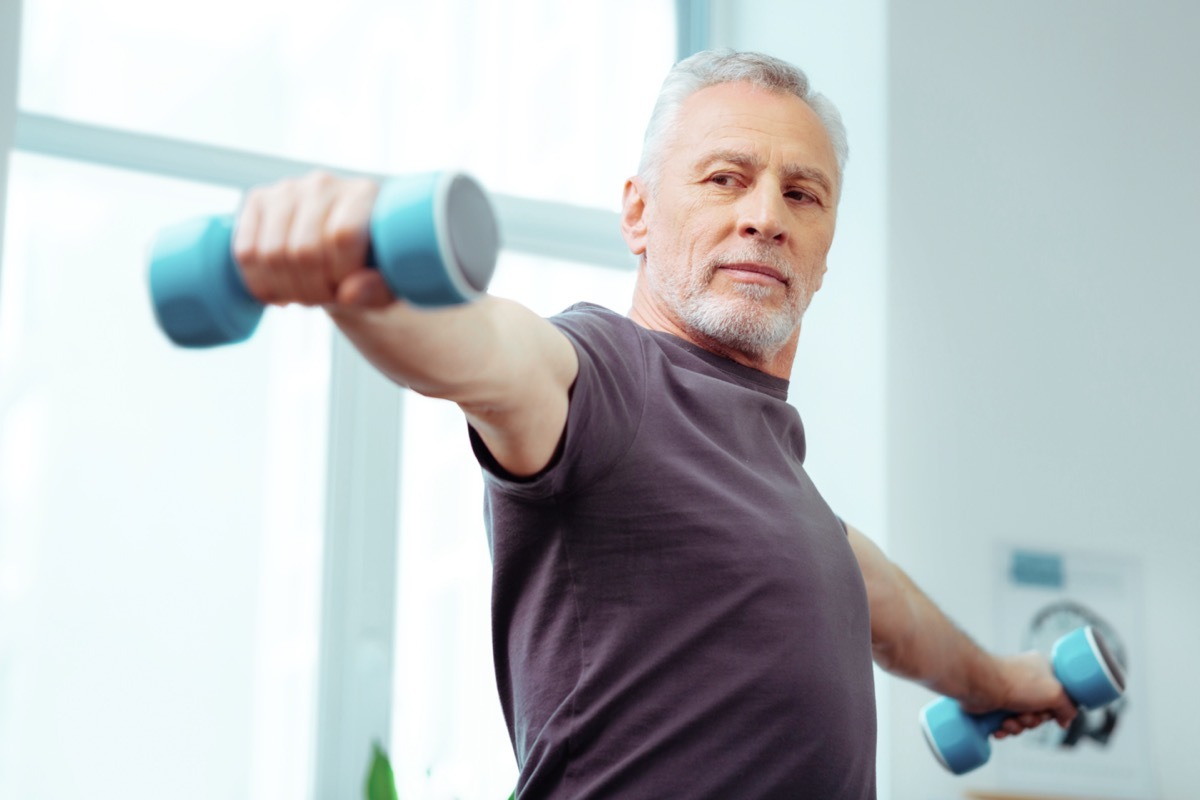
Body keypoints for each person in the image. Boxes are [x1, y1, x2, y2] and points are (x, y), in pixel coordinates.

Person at [231, 49, 1076, 799]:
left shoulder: (783, 484)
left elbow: (873, 595)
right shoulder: (607, 377)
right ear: (636, 214)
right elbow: (490, 350)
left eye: (802, 194)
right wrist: (357, 277)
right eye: (724, 178)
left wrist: (998, 678)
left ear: (825, 253)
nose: (766, 216)